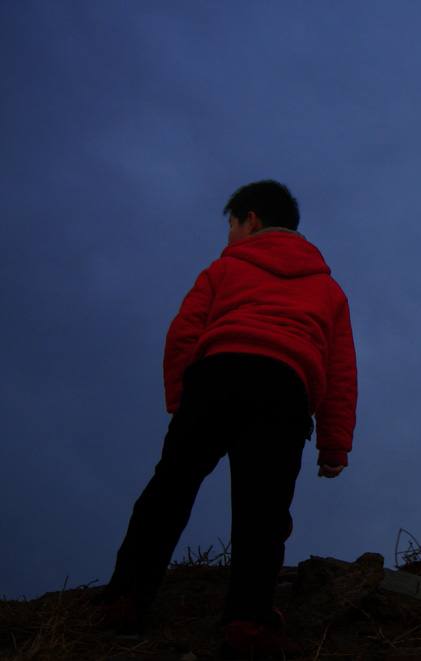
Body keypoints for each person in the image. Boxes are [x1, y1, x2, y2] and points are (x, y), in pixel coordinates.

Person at [99, 180, 357, 659]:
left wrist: (182, 397)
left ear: (251, 220)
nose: (229, 237)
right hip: (285, 386)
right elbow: (340, 370)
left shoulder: (225, 267)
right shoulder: (329, 288)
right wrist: (333, 444)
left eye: (232, 225)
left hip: (216, 371)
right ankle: (248, 624)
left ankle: (123, 600)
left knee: (169, 489)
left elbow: (185, 330)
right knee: (264, 508)